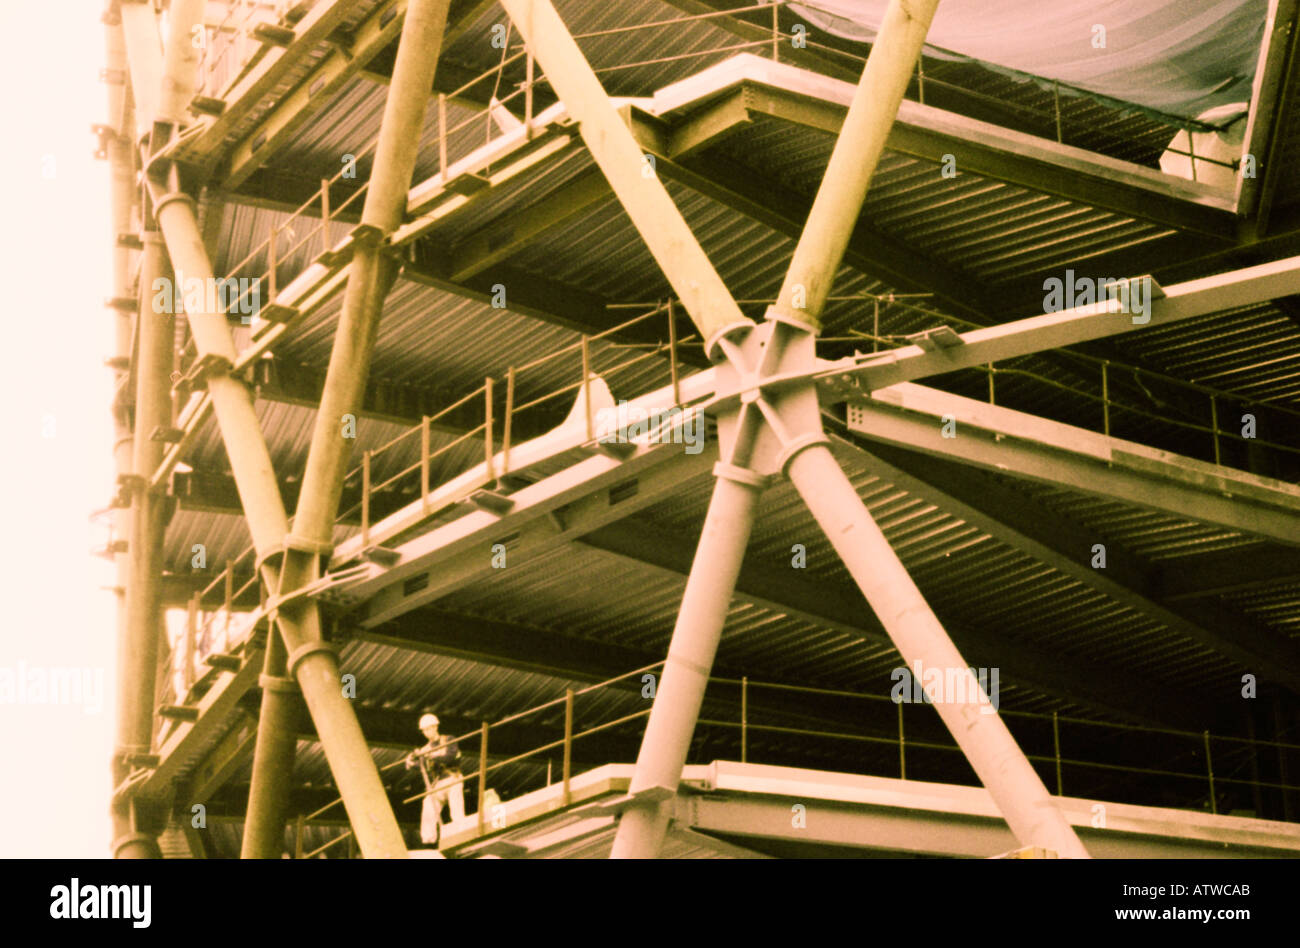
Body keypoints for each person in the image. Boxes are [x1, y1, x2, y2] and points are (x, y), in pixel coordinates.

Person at [405, 712, 464, 845]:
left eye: (428, 728)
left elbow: (450, 756)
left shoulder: (448, 740)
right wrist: (410, 762)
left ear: (435, 727)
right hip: (438, 783)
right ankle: (428, 838)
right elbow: (422, 766)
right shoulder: (425, 749)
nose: (426, 732)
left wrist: (431, 756)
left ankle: (461, 830)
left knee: (456, 804)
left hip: (452, 778)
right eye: (424, 730)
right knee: (428, 803)